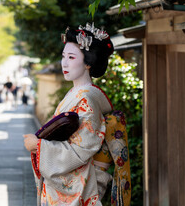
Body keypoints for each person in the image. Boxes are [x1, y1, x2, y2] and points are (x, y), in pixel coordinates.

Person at [24, 23, 128, 205]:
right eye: (63, 56)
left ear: (88, 62)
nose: (64, 62)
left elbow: (81, 150)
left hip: (82, 183)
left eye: (71, 57)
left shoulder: (86, 99)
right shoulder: (78, 94)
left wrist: (38, 146)